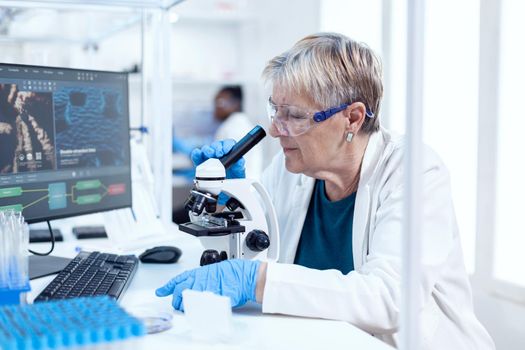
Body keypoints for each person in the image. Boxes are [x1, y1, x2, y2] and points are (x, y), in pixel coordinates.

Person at [156, 33, 495, 349]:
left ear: (352, 118)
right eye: (276, 110)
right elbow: (252, 250)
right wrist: (235, 197)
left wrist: (256, 280)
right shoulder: (294, 169)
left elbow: (390, 299)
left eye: (294, 116)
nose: (275, 130)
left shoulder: (415, 172)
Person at [212, 85, 263, 179]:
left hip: (239, 186)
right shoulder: (241, 124)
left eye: (220, 102)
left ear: (236, 103)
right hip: (246, 186)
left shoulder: (232, 127)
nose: (216, 107)